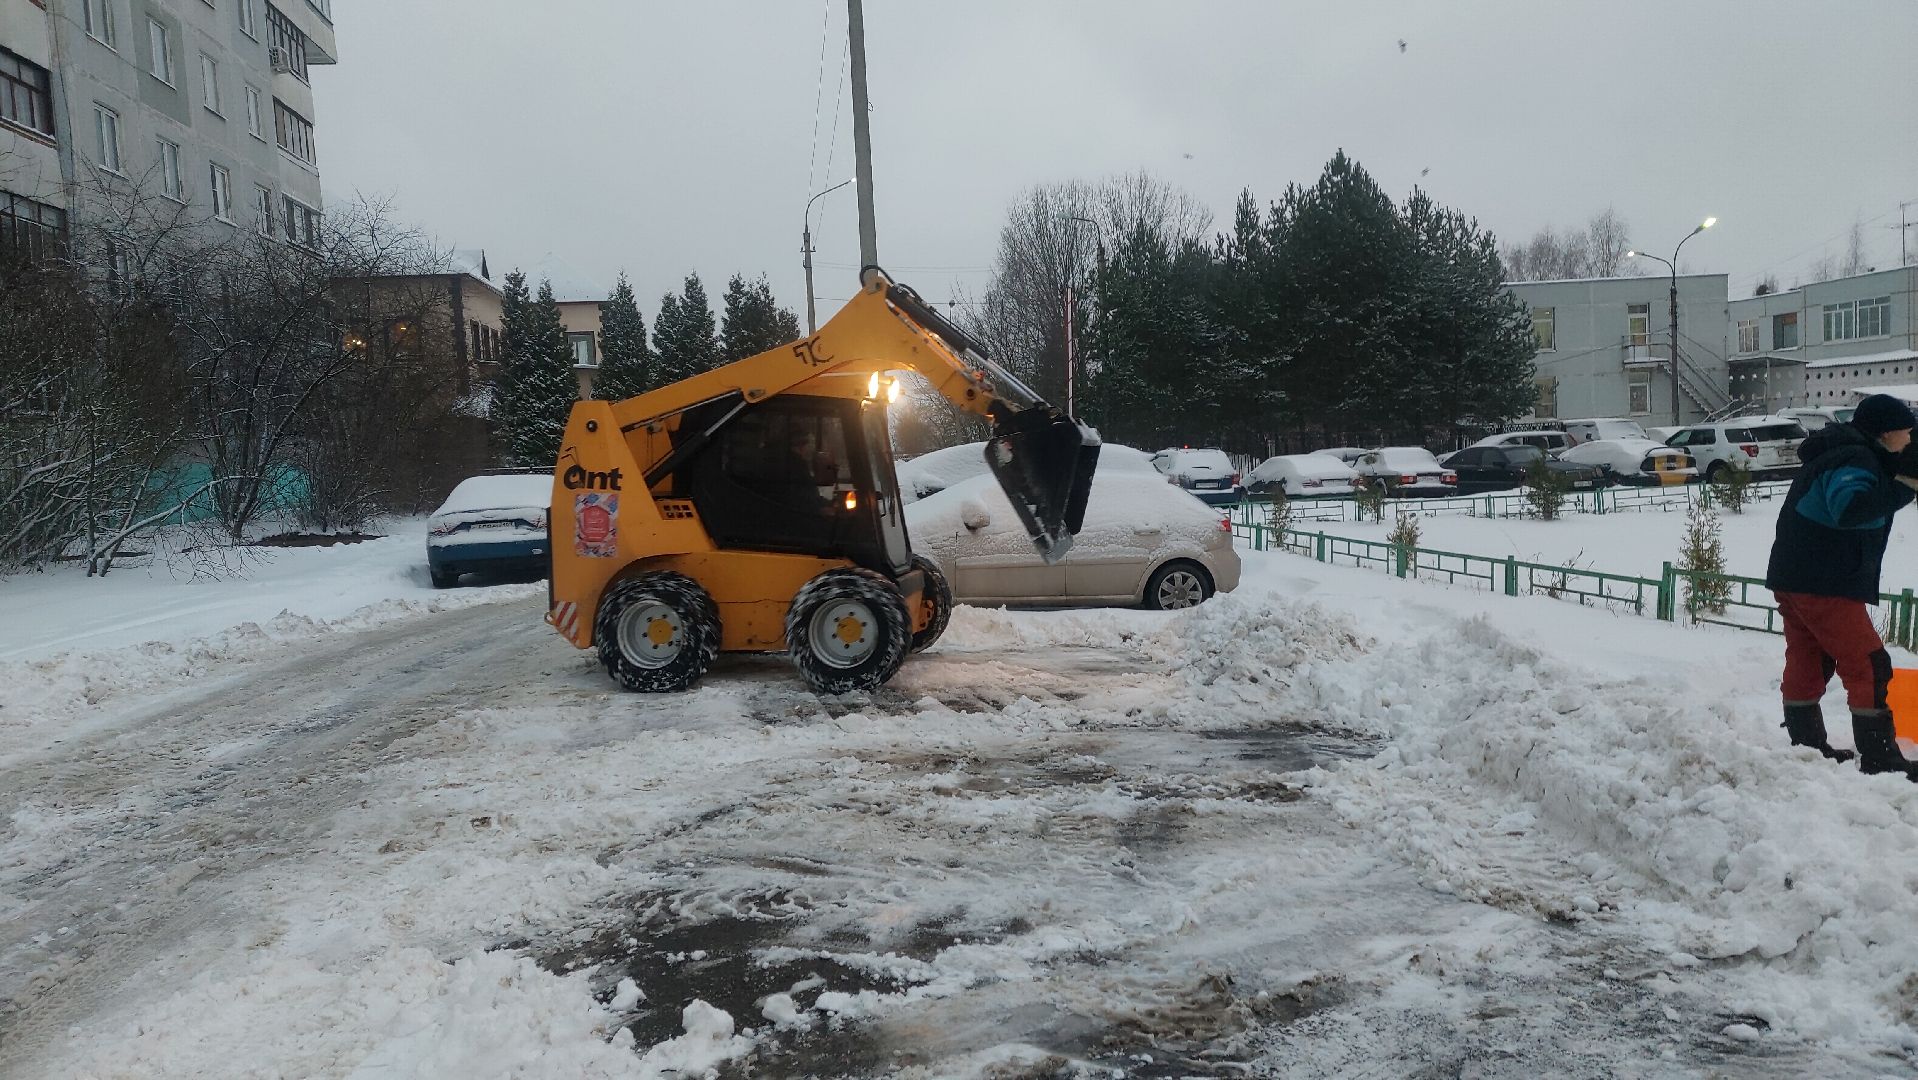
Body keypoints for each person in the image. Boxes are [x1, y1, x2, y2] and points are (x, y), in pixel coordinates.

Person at [1765, 394, 1918, 777]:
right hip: (1823, 581)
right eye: (1906, 433)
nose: (1910, 441)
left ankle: (1807, 749)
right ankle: (1881, 758)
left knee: (1809, 658)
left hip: (1796, 576)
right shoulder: (1855, 458)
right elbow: (1849, 510)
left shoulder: (1843, 451)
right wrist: (1905, 485)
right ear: (1886, 433)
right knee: (1869, 664)